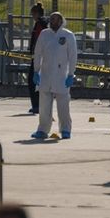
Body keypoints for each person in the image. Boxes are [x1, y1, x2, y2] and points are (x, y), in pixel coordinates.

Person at [31, 12, 77, 140]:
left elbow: (73, 56)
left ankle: (66, 129)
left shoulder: (68, 35)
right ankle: (42, 130)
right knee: (44, 106)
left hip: (62, 76)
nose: (53, 21)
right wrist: (36, 71)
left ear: (61, 20)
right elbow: (38, 52)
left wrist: (71, 74)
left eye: (56, 19)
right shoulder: (44, 34)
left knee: (63, 106)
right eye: (51, 19)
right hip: (45, 75)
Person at [27, 2, 49, 114]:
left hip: (38, 57)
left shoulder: (40, 24)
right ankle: (38, 105)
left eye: (32, 14)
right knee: (36, 81)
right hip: (40, 56)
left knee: (33, 81)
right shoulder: (44, 23)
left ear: (36, 13)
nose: (32, 16)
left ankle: (37, 105)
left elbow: (39, 41)